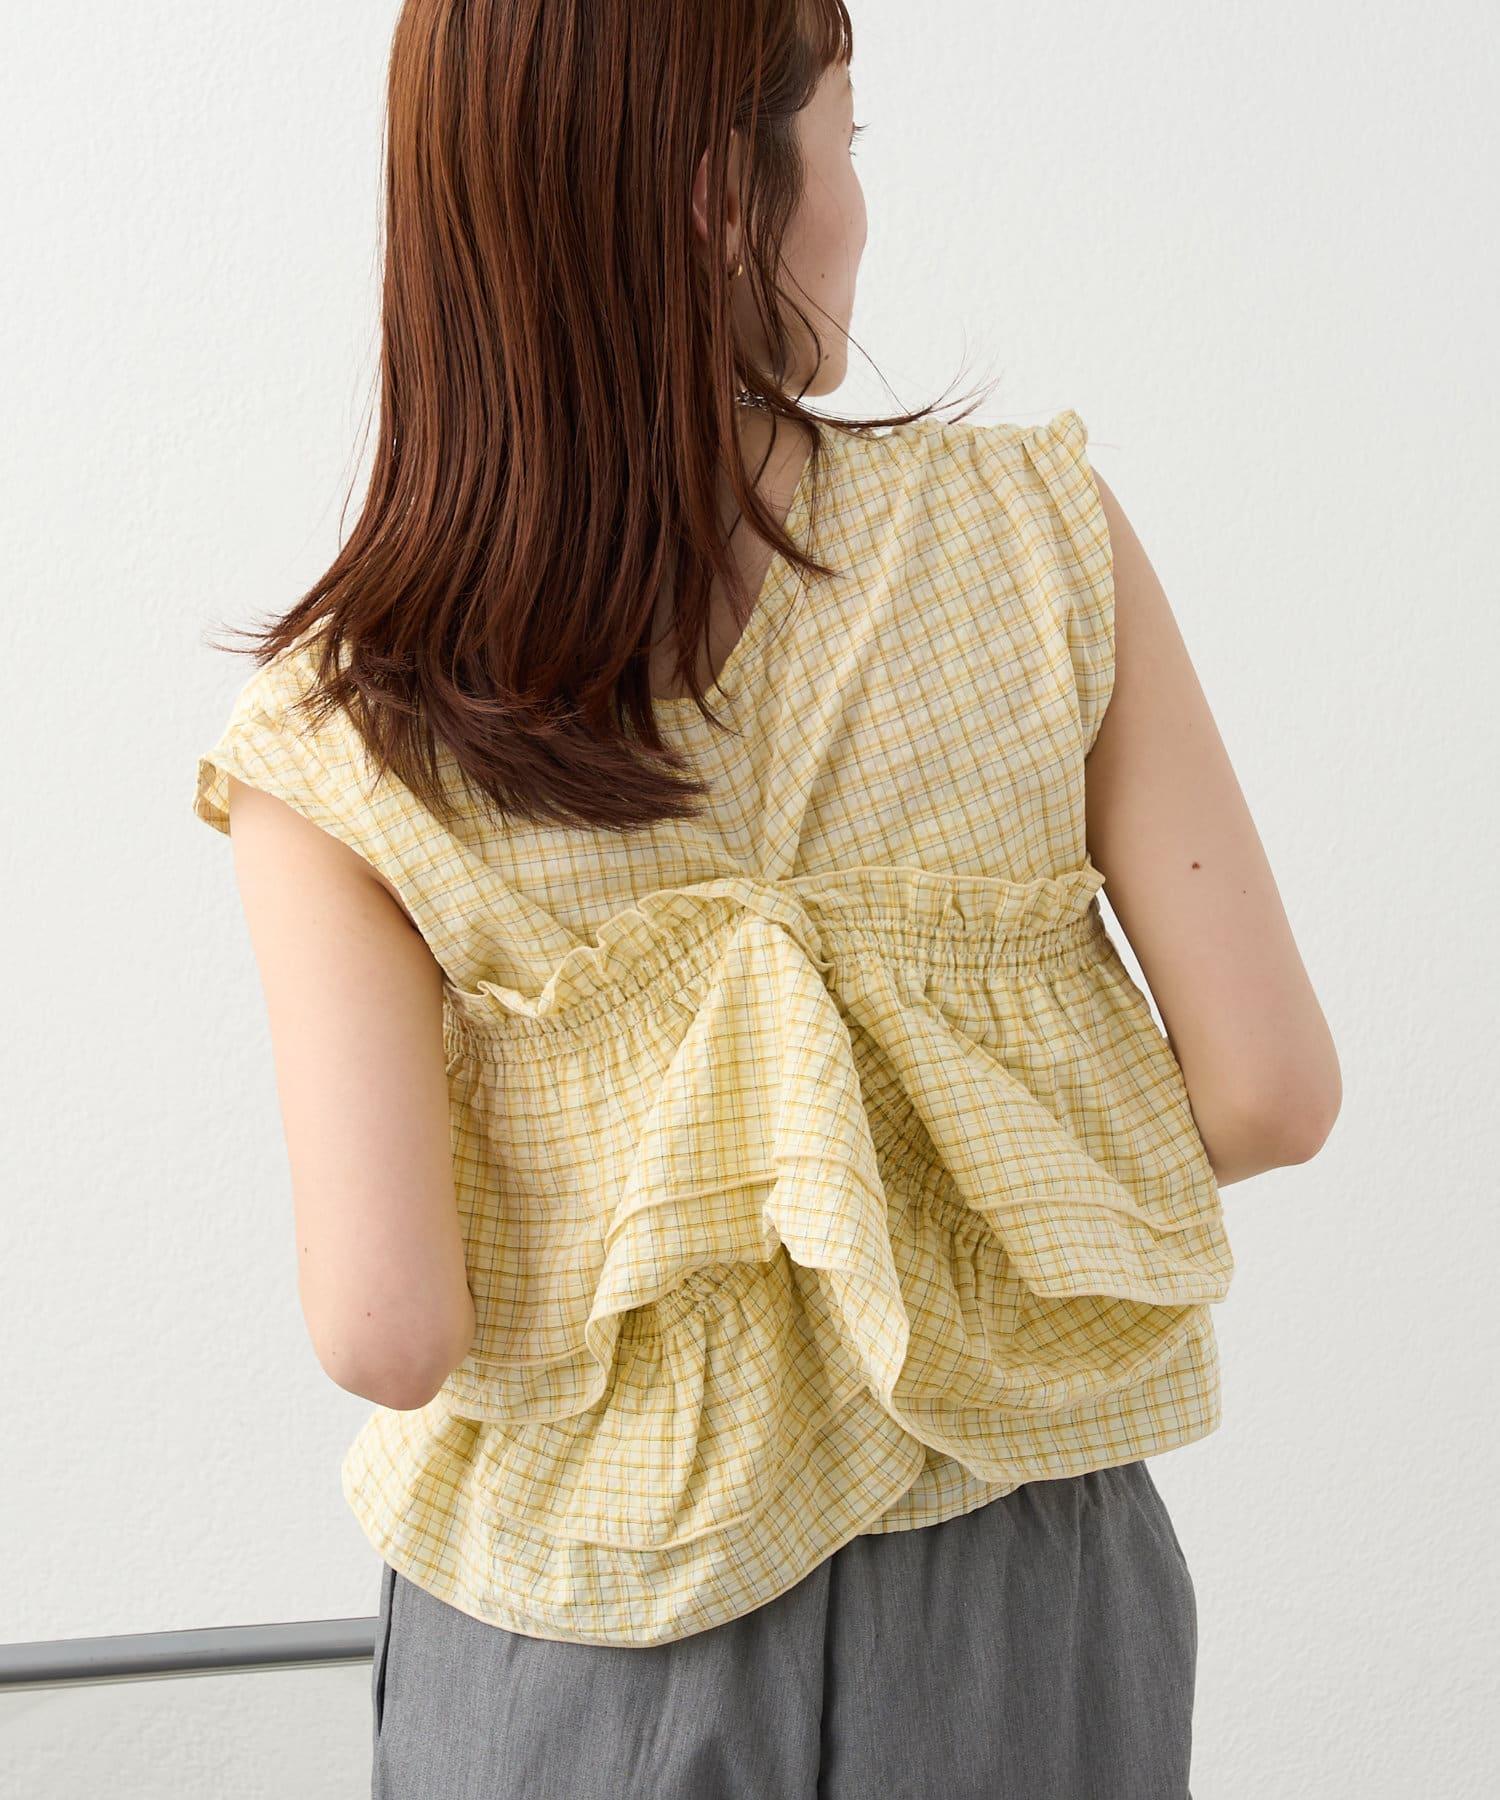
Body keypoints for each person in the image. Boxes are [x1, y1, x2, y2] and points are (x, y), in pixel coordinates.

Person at [191, 3, 1342, 1795]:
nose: (857, 203)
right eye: (845, 142)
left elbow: (387, 1330)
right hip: (1014, 1578)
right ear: (724, 196)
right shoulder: (1033, 537)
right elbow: (1269, 1095)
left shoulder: (339, 734)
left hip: (576, 1620)